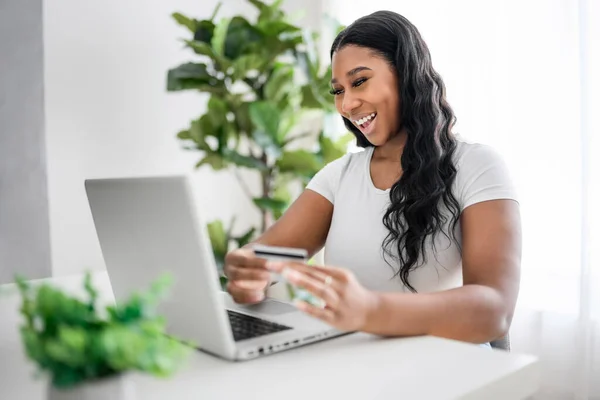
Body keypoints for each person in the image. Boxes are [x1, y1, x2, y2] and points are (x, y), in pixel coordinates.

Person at [223, 10, 521, 346]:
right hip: (352, 369)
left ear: (405, 74)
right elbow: (262, 259)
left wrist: (370, 310)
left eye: (359, 81)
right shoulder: (338, 176)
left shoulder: (477, 165)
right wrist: (246, 271)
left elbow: (494, 311)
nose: (347, 104)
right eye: (338, 90)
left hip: (440, 373)